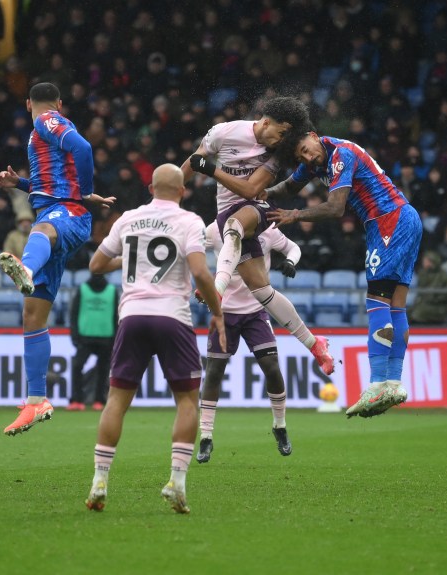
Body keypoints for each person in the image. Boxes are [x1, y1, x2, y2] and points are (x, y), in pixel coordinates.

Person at [84, 164, 225, 515]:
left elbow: (96, 265)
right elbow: (199, 271)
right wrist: (217, 312)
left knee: (116, 400)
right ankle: (176, 482)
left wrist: (130, 260)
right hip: (171, 317)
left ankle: (99, 481)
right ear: (182, 191)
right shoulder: (189, 221)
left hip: (132, 315)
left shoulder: (129, 218)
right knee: (187, 402)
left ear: (149, 187)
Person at [267, 126, 424, 418]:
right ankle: (394, 382)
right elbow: (289, 187)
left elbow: (336, 207)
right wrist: (259, 194)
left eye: (306, 149)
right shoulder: (317, 161)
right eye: (300, 155)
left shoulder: (341, 154)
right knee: (396, 305)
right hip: (401, 217)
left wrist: (296, 215)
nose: (307, 157)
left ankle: (377, 384)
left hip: (388, 220)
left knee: (376, 301)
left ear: (313, 135)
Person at [0, 82, 115, 436]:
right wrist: (18, 183)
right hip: (57, 210)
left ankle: (26, 267)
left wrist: (87, 190)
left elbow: (83, 147)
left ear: (28, 102)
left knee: (40, 229)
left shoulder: (47, 120)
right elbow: (51, 185)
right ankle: (36, 401)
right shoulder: (44, 132)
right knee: (33, 314)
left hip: (69, 215)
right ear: (60, 100)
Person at [182, 97, 334, 377]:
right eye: (282, 132)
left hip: (257, 208)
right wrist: (172, 191)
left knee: (234, 225)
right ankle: (315, 345)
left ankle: (217, 288)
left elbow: (251, 190)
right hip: (226, 215)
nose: (282, 140)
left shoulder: (276, 154)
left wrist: (212, 170)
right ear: (266, 122)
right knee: (262, 292)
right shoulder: (223, 133)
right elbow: (194, 162)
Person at [198, 222, 300, 463]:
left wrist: (290, 262)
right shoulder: (215, 229)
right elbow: (191, 250)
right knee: (213, 372)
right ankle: (206, 438)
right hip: (224, 312)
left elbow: (293, 248)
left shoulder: (267, 230)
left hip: (256, 310)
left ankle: (280, 426)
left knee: (272, 368)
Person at [67, 273, 119, 412]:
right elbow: (74, 313)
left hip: (106, 338)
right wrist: (75, 335)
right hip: (86, 337)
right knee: (77, 366)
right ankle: (77, 400)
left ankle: (99, 400)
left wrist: (116, 338)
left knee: (103, 371)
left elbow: (116, 315)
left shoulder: (112, 291)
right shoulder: (83, 289)